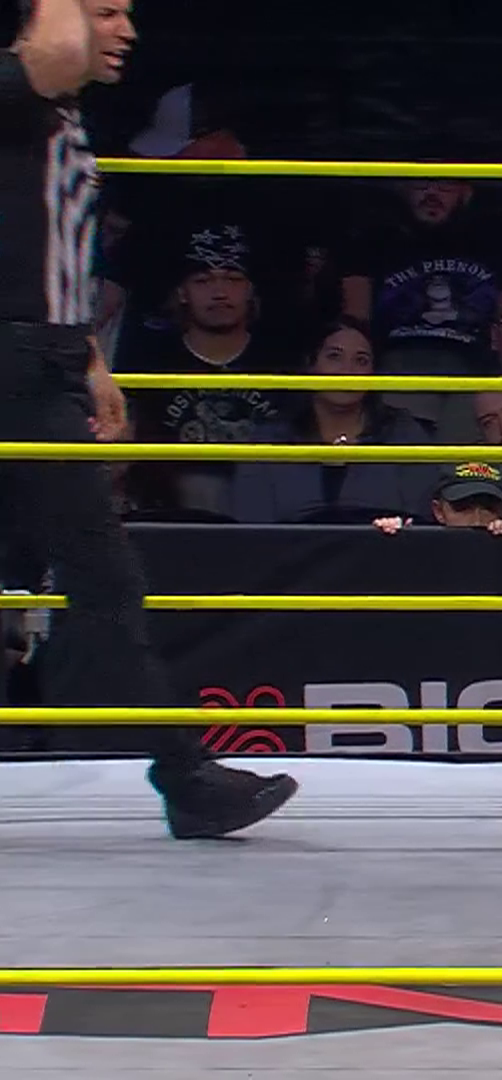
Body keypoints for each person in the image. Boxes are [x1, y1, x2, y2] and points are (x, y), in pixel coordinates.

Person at [0, 0, 296, 836]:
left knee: (51, 571)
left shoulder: (56, 113)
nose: (126, 31)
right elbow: (52, 46)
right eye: (106, 12)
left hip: (44, 357)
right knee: (102, 574)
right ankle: (186, 777)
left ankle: (187, 778)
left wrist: (91, 360)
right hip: (16, 369)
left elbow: (43, 256)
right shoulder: (13, 88)